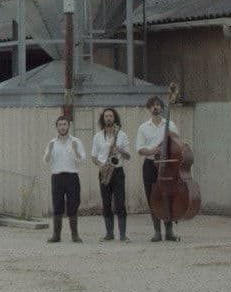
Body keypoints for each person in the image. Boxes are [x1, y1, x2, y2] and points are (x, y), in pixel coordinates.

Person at [134, 96, 180, 242]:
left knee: (168, 196)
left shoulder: (170, 124)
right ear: (149, 108)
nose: (156, 108)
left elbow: (177, 144)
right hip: (150, 164)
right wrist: (153, 151)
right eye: (153, 106)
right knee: (152, 196)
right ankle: (156, 231)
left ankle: (169, 231)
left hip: (167, 164)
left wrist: (171, 138)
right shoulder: (143, 127)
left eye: (158, 105)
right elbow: (140, 150)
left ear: (162, 108)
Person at [89, 107, 132, 241]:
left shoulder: (122, 135)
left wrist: (118, 149)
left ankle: (123, 235)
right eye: (106, 116)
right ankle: (109, 234)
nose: (108, 118)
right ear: (103, 119)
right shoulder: (97, 136)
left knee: (120, 203)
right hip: (104, 171)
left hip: (118, 171)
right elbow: (94, 156)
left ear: (115, 119)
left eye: (111, 116)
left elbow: (128, 156)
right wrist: (100, 165)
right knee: (106, 202)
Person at [42, 114, 85, 243]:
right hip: (57, 177)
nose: (62, 127)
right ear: (57, 127)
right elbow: (46, 161)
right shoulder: (52, 143)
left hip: (72, 176)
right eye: (60, 125)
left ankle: (75, 235)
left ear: (68, 126)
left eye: (64, 124)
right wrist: (49, 151)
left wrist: (76, 150)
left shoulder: (76, 142)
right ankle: (56, 235)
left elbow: (82, 160)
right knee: (57, 205)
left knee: (73, 205)